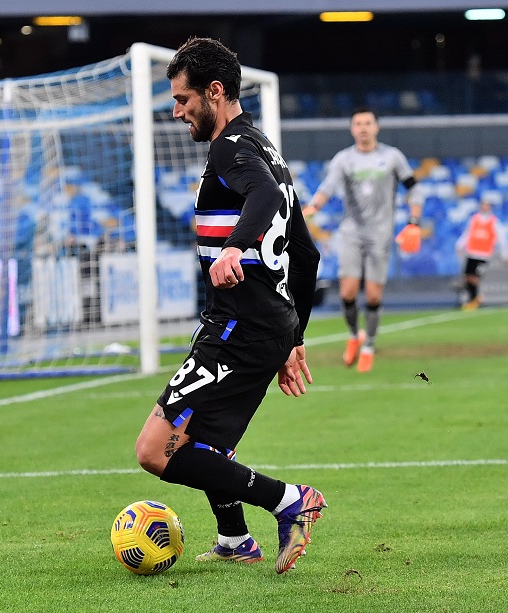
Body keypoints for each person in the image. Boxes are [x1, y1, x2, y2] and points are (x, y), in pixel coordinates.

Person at [134, 37, 325, 575]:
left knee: (156, 450)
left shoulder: (229, 149)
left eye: (183, 99)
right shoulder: (266, 147)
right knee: (205, 441)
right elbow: (307, 254)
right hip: (262, 326)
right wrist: (295, 337)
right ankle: (235, 538)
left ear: (214, 92)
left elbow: (262, 198)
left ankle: (289, 500)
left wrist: (235, 248)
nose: (177, 112)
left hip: (239, 326)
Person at [302, 107, 423, 372]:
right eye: (358, 123)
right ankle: (354, 334)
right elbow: (328, 187)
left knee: (372, 295)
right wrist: (313, 207)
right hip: (351, 233)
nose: (363, 127)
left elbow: (414, 188)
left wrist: (414, 222)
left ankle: (369, 344)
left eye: (368, 123)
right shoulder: (344, 159)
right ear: (352, 129)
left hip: (380, 234)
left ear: (376, 127)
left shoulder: (392, 157)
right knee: (346, 291)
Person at [455, 199, 508, 310]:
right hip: (472, 253)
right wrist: (459, 245)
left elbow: (502, 238)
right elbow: (468, 234)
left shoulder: (494, 222)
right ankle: (472, 299)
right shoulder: (474, 219)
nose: (484, 207)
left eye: (487, 205)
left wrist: (505, 254)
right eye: (483, 205)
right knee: (467, 277)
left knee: (475, 277)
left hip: (484, 255)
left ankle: (475, 299)